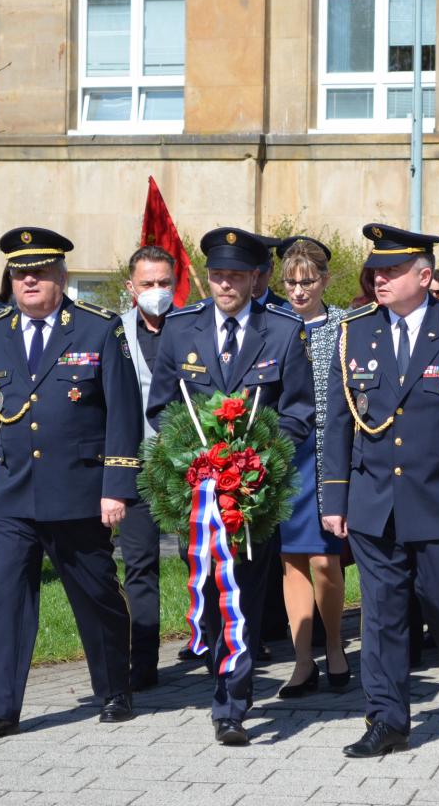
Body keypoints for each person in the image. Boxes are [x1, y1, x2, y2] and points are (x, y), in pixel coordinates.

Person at [322, 224, 439, 757]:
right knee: (381, 615)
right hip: (374, 501)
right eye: (376, 270)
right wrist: (334, 499)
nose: (379, 278)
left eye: (393, 270)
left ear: (425, 277)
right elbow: (337, 423)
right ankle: (387, 720)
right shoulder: (355, 331)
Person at [0, 227, 142, 742]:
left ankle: (114, 688)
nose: (29, 281)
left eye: (39, 272)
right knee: (4, 602)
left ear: (61, 276)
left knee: (95, 594)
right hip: (13, 493)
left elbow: (122, 411)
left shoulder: (96, 328)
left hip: (79, 491)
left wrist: (116, 486)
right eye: (20, 273)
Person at [147, 227, 314, 747]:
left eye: (236, 276)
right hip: (197, 493)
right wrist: (193, 456)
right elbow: (160, 406)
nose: (225, 285)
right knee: (207, 591)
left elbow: (299, 411)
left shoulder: (282, 331)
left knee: (243, 594)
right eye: (218, 275)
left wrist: (259, 457)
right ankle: (220, 672)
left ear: (255, 278)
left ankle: (232, 704)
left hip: (252, 495)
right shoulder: (181, 329)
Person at [271, 236, 351, 698]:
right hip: (286, 454)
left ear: (325, 280)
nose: (299, 291)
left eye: (308, 282)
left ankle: (335, 646)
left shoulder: (344, 326)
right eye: (291, 283)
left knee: (325, 559)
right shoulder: (273, 323)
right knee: (292, 561)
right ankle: (303, 661)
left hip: (329, 453)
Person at [117, 245, 177, 690]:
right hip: (136, 463)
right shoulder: (113, 331)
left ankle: (216, 649)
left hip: (190, 466)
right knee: (139, 565)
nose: (157, 290)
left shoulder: (194, 325)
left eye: (164, 283)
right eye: (148, 283)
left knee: (206, 562)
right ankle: (143, 663)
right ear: (131, 287)